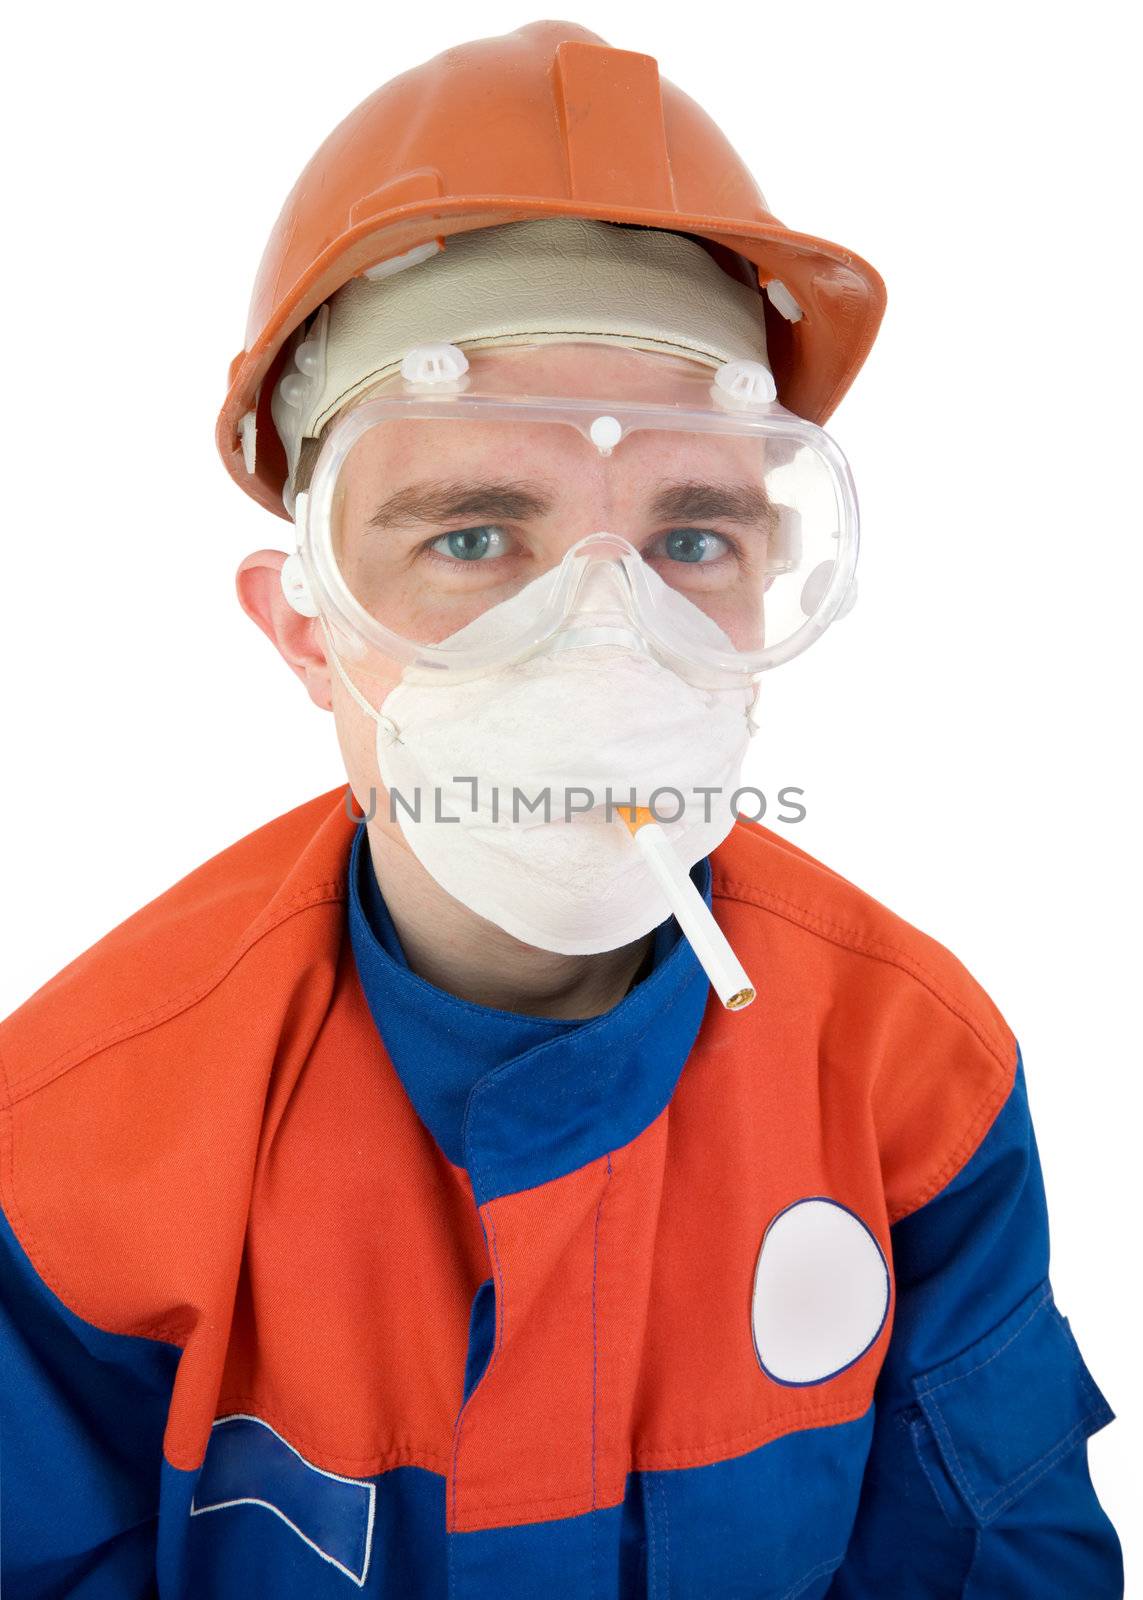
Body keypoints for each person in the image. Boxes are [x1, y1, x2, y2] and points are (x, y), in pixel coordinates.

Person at [0, 19, 1123, 1600]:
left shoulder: (910, 1080)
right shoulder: (71, 1153)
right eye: (472, 535)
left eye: (691, 537)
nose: (605, 644)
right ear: (305, 627)